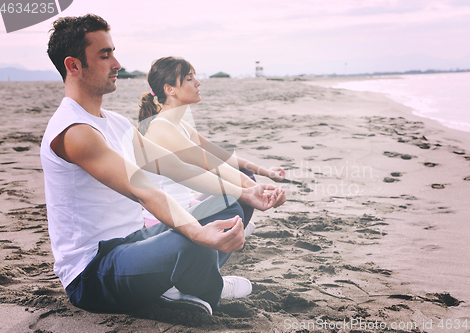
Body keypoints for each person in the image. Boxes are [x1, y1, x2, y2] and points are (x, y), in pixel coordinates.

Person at [41, 14, 284, 315]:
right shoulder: (74, 131)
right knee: (193, 241)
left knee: (229, 204)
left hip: (135, 242)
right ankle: (204, 285)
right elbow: (141, 189)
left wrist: (246, 191)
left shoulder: (115, 123)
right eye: (105, 55)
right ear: (73, 65)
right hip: (94, 272)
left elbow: (175, 166)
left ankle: (184, 282)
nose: (117, 64)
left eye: (114, 53)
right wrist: (197, 233)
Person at [138, 56, 286, 231]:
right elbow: (213, 164)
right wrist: (257, 190)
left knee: (243, 172)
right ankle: (233, 234)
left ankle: (234, 231)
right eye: (189, 79)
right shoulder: (162, 129)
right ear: (170, 89)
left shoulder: (178, 124)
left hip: (187, 207)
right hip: (167, 221)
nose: (198, 83)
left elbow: (220, 155)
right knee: (235, 199)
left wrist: (264, 172)